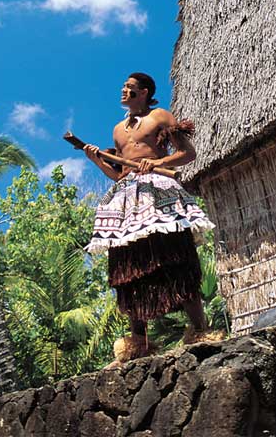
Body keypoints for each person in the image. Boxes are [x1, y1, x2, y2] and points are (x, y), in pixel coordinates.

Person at [84, 72, 216, 361]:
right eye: (123, 87)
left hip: (158, 190)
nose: (124, 91)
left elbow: (187, 153)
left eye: (130, 88)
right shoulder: (118, 129)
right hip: (127, 198)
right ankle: (139, 343)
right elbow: (119, 174)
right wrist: (97, 161)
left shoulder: (161, 117)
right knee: (129, 266)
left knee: (176, 257)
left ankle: (199, 330)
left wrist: (156, 162)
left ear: (144, 92)